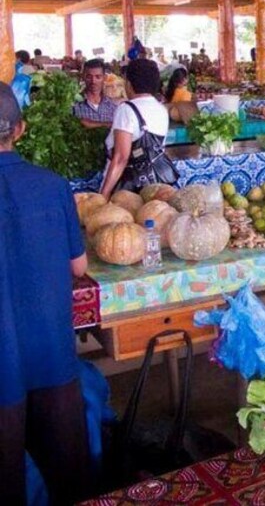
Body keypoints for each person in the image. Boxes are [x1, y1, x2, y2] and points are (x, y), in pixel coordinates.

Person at [0, 81, 92, 505]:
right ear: (20, 129)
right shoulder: (53, 186)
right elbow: (79, 267)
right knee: (67, 480)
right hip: (52, 358)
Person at [99, 59, 171, 200]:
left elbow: (121, 158)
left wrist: (104, 194)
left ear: (129, 84)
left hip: (128, 191)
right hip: (153, 186)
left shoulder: (126, 110)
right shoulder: (161, 109)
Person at [73, 58, 118, 129]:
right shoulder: (74, 105)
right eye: (89, 77)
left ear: (104, 78)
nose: (93, 81)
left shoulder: (113, 107)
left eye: (98, 77)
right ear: (83, 77)